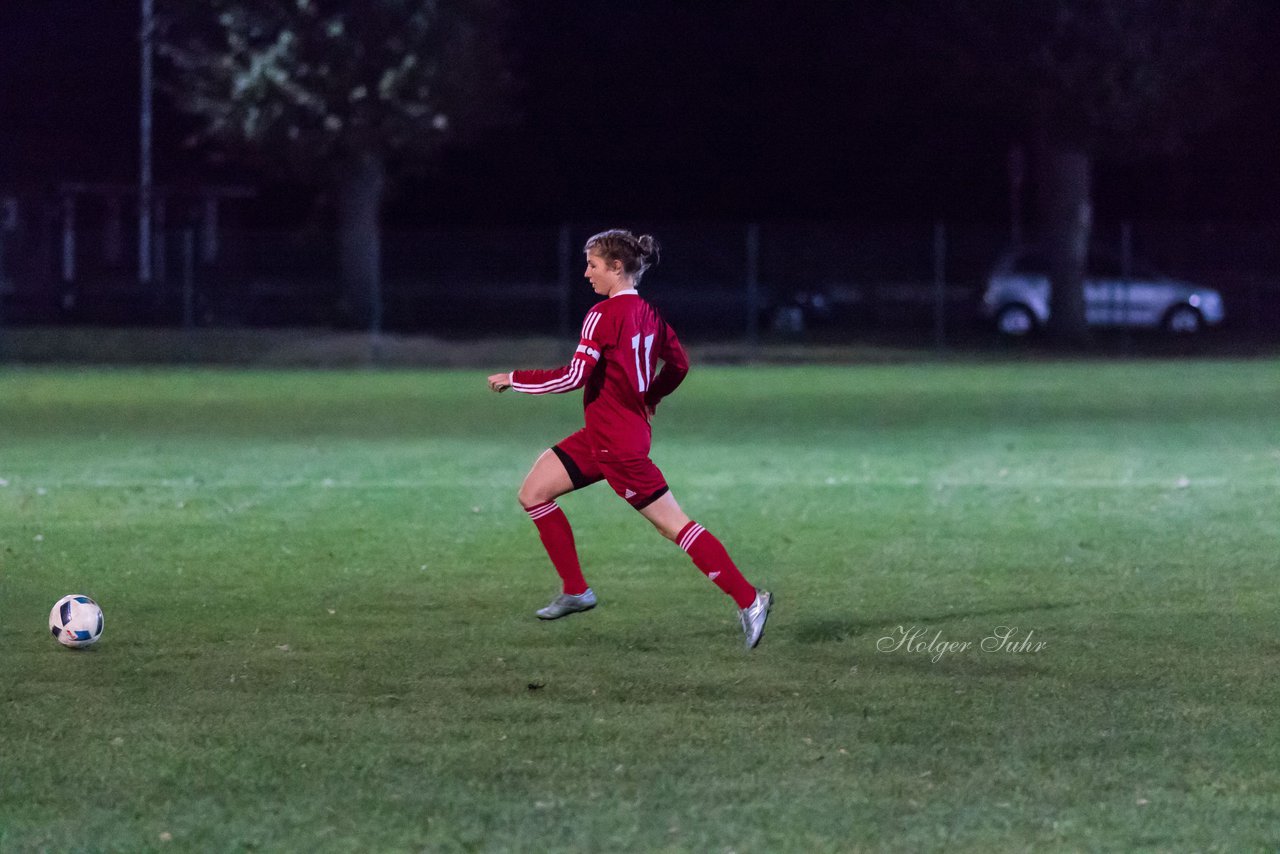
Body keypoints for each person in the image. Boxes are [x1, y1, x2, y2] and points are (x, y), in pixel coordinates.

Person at [486, 228, 773, 649]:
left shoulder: (603, 315)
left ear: (617, 268)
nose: (587, 274)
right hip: (608, 433)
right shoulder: (651, 315)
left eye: (593, 265)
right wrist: (650, 396)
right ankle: (576, 590)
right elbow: (679, 364)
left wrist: (515, 379)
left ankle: (750, 600)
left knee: (676, 526)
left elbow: (574, 377)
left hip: (616, 448)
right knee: (534, 492)